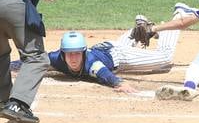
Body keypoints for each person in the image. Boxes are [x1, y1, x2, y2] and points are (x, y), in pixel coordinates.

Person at [47, 14, 182, 93]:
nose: (73, 58)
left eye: (77, 53)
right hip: (106, 48)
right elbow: (35, 60)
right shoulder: (55, 58)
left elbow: (105, 74)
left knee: (165, 58)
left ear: (83, 52)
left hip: (119, 55)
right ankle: (140, 30)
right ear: (62, 54)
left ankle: (180, 15)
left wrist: (119, 83)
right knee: (120, 45)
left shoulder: (92, 64)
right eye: (69, 54)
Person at [0, 0, 58, 123]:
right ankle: (17, 104)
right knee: (37, 57)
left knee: (1, 53)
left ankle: (2, 100)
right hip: (16, 3)